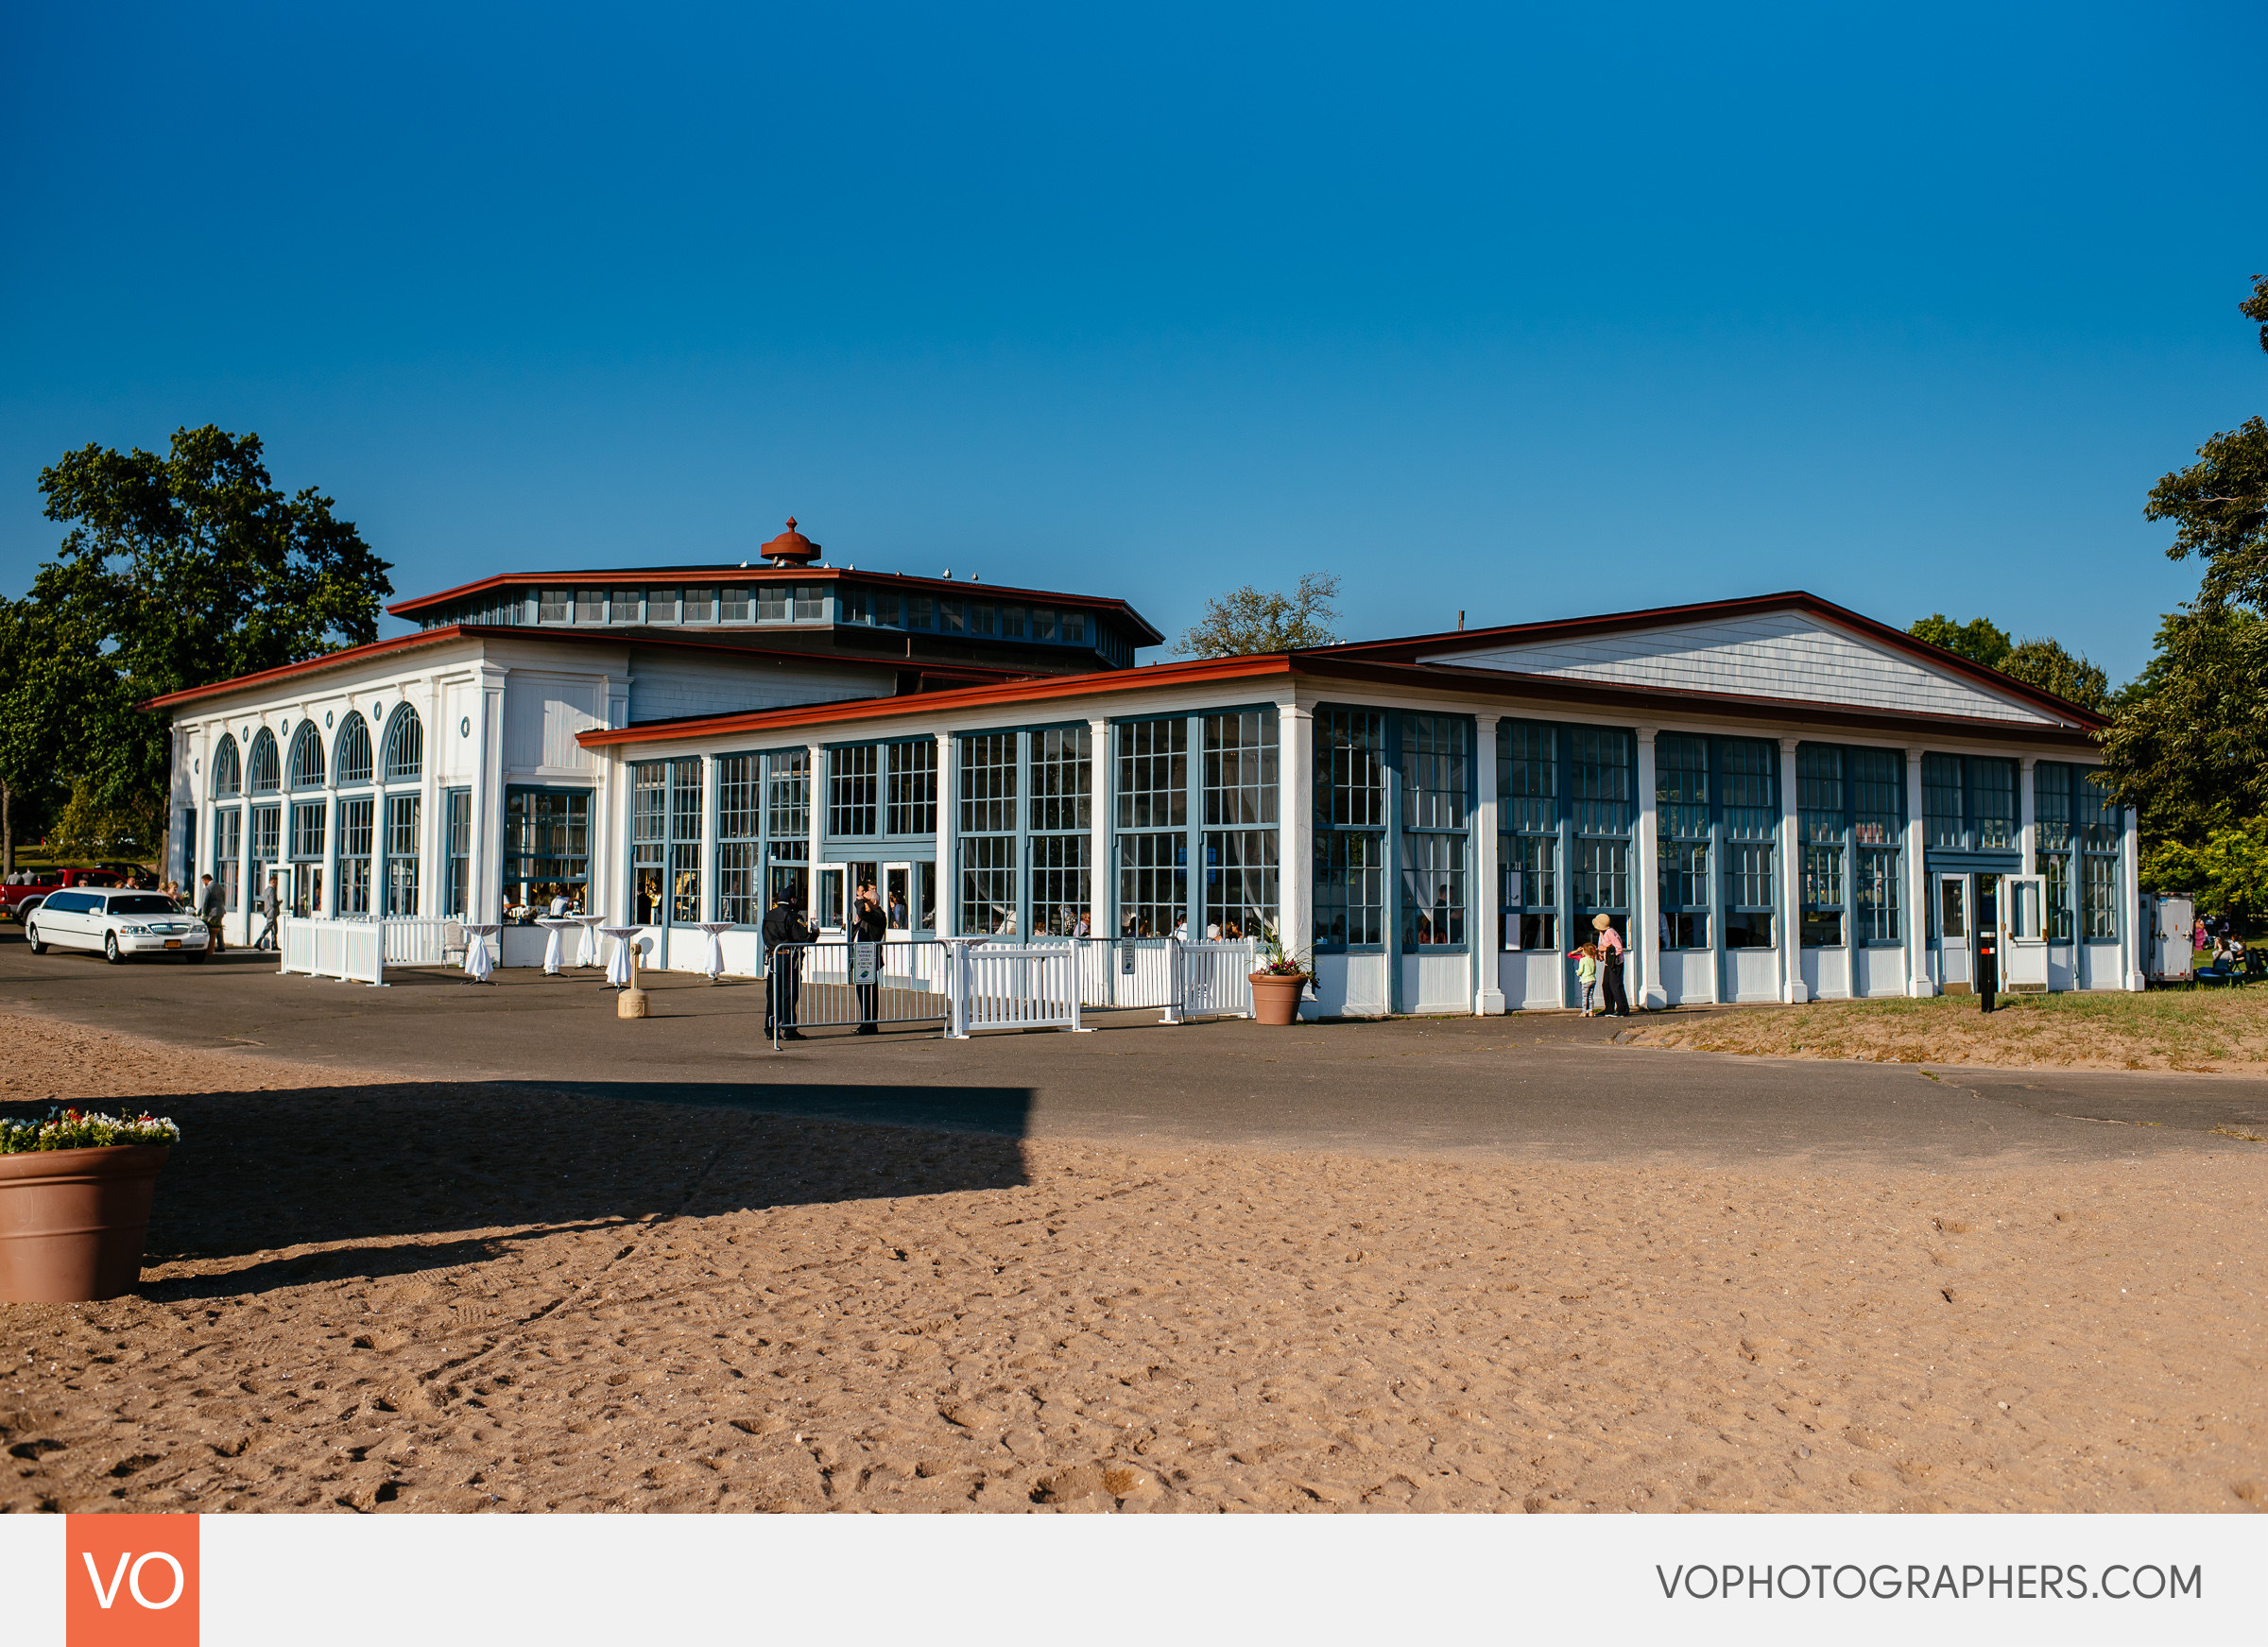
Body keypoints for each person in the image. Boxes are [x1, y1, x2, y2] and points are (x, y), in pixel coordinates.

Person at [761, 892, 815, 1040]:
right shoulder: (792, 916)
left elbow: (765, 937)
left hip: (773, 957)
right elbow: (804, 938)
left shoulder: (769, 915)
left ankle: (770, 1028)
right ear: (792, 899)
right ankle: (789, 1028)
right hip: (789, 959)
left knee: (773, 994)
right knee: (789, 994)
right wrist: (814, 933)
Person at [851, 882, 888, 1035]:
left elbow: (862, 913)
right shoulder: (870, 915)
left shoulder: (879, 915)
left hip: (870, 958)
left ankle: (871, 1024)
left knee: (870, 992)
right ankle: (865, 1022)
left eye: (866, 902)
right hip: (862, 957)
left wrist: (859, 900)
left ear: (873, 902)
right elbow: (857, 924)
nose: (863, 904)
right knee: (862, 990)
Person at [1592, 913, 1629, 1017]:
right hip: (1608, 962)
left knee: (1616, 985)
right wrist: (1600, 953)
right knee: (1606, 985)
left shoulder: (1610, 932)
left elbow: (1618, 948)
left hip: (1616, 962)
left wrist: (1606, 949)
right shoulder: (1602, 934)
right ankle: (1609, 1009)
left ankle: (1622, 1008)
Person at [197, 873, 228, 953]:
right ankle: (221, 946)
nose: (204, 883)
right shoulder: (220, 886)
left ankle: (209, 946)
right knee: (219, 928)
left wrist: (203, 912)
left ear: (206, 880)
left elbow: (204, 901)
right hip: (220, 910)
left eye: (203, 881)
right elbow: (224, 898)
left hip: (212, 911)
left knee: (210, 929)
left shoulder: (208, 888)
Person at [1569, 940, 1599, 1015]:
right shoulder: (1592, 959)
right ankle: (1591, 1011)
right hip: (1592, 979)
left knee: (1584, 997)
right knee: (1590, 996)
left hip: (1585, 980)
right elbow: (1594, 970)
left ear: (1584, 951)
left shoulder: (1582, 960)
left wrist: (1577, 972)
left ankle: (1584, 1012)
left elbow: (1580, 970)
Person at [256, 874, 282, 951]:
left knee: (274, 929)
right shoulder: (271, 890)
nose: (277, 884)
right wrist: (279, 902)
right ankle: (258, 941)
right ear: (273, 882)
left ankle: (274, 944)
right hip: (272, 912)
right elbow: (273, 903)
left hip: (269, 912)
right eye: (276, 882)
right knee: (268, 928)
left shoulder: (266, 890)